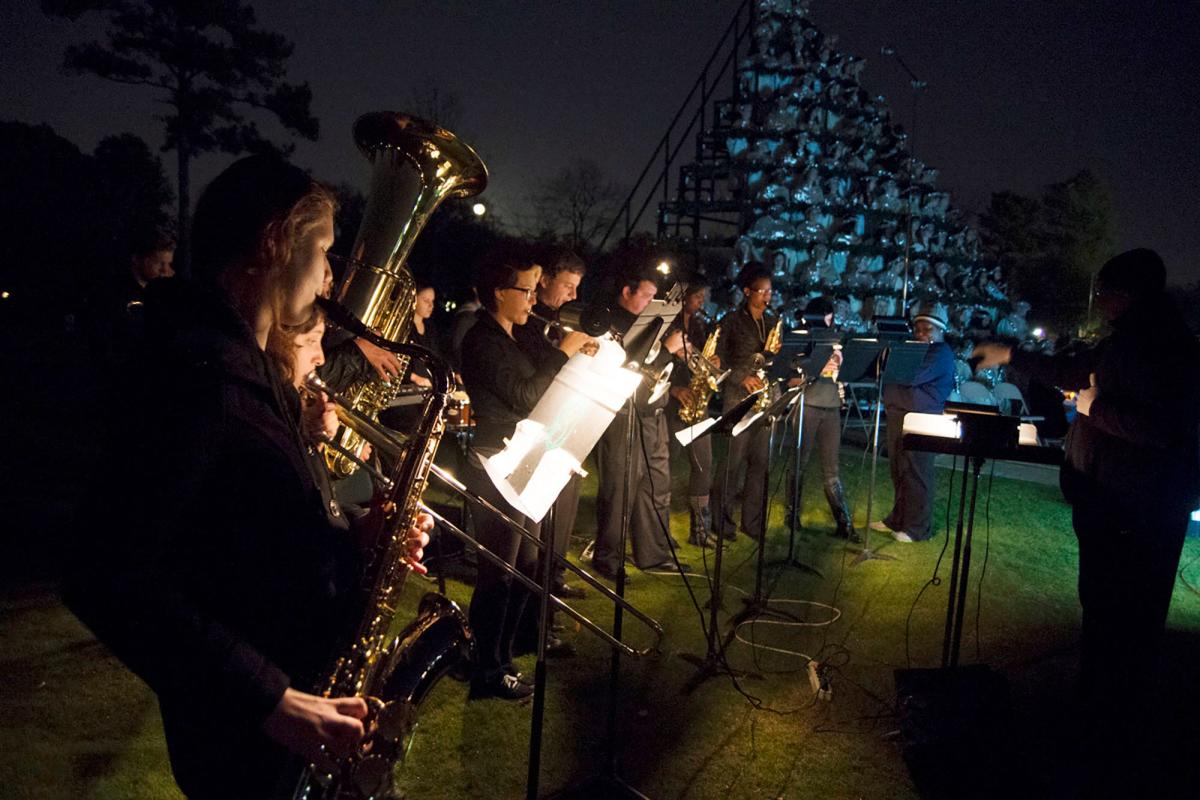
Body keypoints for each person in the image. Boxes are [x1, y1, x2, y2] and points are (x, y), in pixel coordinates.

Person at [61, 155, 431, 799]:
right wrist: (272, 699)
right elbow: (103, 574)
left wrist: (358, 543)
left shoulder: (251, 370)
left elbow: (249, 542)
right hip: (245, 743)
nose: (328, 276)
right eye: (323, 252)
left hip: (283, 711)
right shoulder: (195, 373)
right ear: (274, 242)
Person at [972, 249, 1200, 788]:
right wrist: (1012, 354)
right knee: (1104, 611)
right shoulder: (1131, 336)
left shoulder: (1164, 346)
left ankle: (1109, 734)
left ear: (1128, 294)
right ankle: (1099, 712)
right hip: (1111, 501)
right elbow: (1077, 369)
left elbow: (1164, 429)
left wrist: (1092, 408)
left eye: (1103, 292)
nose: (1097, 302)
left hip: (1135, 508)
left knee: (1124, 617)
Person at [458, 240, 594, 700]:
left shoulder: (520, 333)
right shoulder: (481, 339)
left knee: (528, 565)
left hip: (527, 459)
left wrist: (577, 356)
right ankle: (487, 670)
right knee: (498, 570)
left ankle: (504, 655)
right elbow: (525, 395)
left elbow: (548, 378)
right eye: (528, 291)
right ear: (500, 291)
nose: (535, 300)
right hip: (495, 464)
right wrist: (563, 353)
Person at [592, 267, 689, 581]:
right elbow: (630, 365)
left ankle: (653, 554)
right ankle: (608, 558)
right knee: (620, 486)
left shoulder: (648, 323)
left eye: (653, 297)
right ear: (626, 292)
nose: (650, 302)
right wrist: (667, 352)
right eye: (645, 295)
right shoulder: (610, 324)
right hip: (623, 413)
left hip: (653, 412)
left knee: (655, 485)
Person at [513, 247, 589, 599]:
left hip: (563, 425)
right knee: (536, 527)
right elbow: (536, 378)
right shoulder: (528, 324)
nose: (573, 296)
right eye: (568, 286)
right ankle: (539, 592)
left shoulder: (559, 320)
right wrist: (566, 352)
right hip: (535, 431)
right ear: (543, 282)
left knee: (563, 513)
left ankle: (553, 581)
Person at [870, 303, 955, 542]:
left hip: (921, 419)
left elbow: (909, 376)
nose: (920, 334)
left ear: (940, 331)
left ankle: (917, 528)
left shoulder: (940, 353)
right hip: (900, 414)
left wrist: (894, 361)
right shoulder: (915, 349)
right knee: (899, 471)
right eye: (917, 329)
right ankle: (898, 518)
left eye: (927, 329)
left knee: (917, 473)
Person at [711, 262, 779, 541]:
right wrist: (740, 377)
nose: (767, 296)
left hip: (765, 399)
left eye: (770, 291)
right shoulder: (730, 321)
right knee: (732, 462)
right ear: (747, 291)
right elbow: (717, 360)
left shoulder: (773, 322)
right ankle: (721, 521)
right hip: (738, 399)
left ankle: (752, 522)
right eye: (762, 291)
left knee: (760, 464)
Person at [790, 296, 861, 542]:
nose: (830, 323)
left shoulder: (838, 338)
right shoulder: (802, 337)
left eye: (832, 318)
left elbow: (847, 375)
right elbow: (791, 373)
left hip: (831, 407)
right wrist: (815, 365)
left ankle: (844, 522)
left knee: (832, 469)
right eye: (826, 318)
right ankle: (793, 514)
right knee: (800, 462)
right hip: (808, 405)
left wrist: (843, 365)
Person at [666, 280, 719, 547]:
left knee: (704, 464)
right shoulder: (666, 323)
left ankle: (700, 531)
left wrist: (713, 364)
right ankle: (661, 531)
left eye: (703, 296)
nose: (701, 301)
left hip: (697, 403)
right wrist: (674, 390)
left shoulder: (699, 326)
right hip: (672, 405)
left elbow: (702, 360)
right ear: (683, 297)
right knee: (666, 468)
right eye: (697, 295)